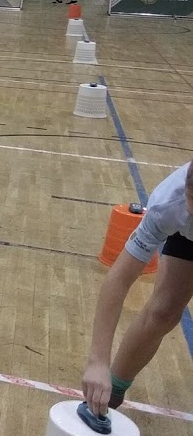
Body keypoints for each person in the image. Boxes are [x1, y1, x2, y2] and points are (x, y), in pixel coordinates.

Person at [81, 162, 193, 417]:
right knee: (162, 312)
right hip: (186, 234)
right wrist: (98, 361)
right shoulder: (169, 205)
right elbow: (119, 279)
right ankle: (110, 395)